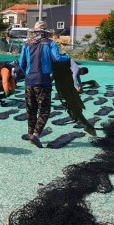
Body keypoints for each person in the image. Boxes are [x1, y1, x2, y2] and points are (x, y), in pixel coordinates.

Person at [19, 20, 70, 148]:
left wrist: (28, 75)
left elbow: (21, 64)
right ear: (46, 32)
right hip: (43, 81)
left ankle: (30, 133)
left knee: (31, 109)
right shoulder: (50, 43)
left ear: (35, 31)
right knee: (44, 110)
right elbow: (57, 59)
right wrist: (67, 57)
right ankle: (36, 135)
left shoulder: (26, 44)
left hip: (29, 82)